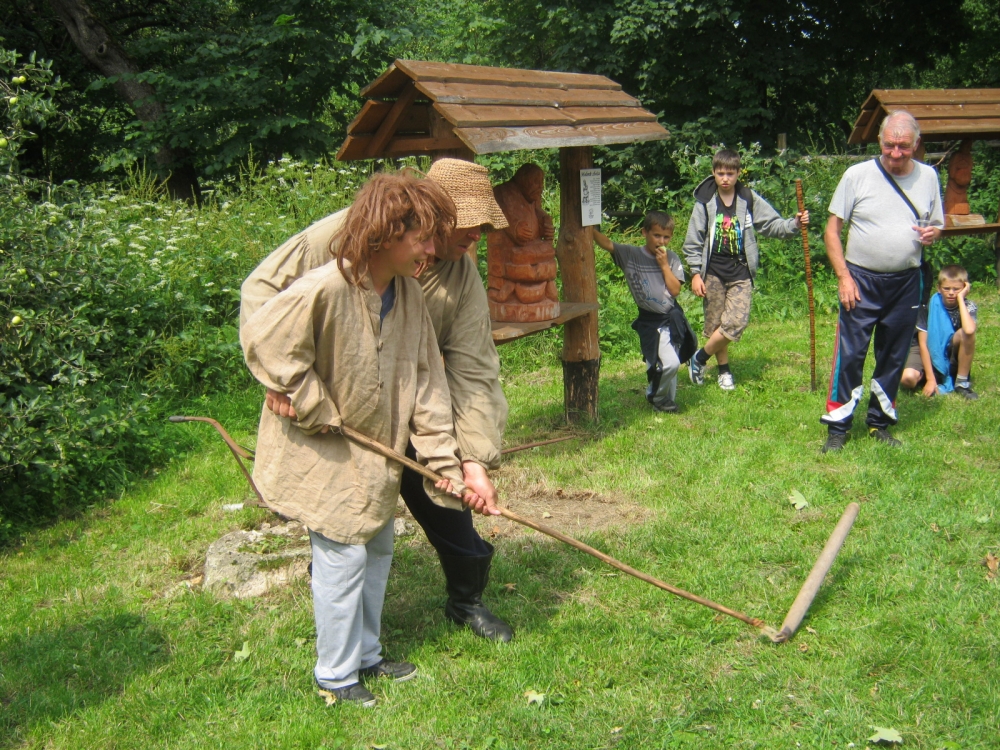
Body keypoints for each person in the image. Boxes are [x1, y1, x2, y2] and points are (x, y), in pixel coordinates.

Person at [241, 159, 515, 642]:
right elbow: (263, 292)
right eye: (469, 223)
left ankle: (466, 600)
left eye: (484, 226)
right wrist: (283, 380)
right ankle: (341, 634)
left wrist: (472, 458)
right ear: (429, 218)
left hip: (414, 406)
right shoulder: (348, 235)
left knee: (450, 508)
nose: (478, 236)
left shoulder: (460, 275)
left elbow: (473, 368)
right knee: (342, 524)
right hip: (338, 408)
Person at [820, 110, 944, 452]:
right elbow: (831, 231)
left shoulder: (929, 177)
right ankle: (838, 428)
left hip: (907, 281)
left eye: (904, 147)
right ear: (879, 141)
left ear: (916, 144)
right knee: (851, 354)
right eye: (889, 145)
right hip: (860, 280)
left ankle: (879, 423)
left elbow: (937, 224)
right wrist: (844, 277)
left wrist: (934, 233)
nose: (896, 153)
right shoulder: (856, 175)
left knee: (894, 354)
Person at [682, 148, 808, 390]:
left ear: (739, 173)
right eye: (721, 173)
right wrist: (695, 273)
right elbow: (693, 240)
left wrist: (794, 223)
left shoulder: (748, 198)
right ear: (713, 172)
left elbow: (772, 225)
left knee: (736, 322)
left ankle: (699, 358)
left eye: (730, 173)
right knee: (717, 324)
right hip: (713, 272)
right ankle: (724, 372)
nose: (725, 178)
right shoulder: (706, 201)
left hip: (741, 272)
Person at [593, 211, 696, 412]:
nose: (661, 241)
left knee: (671, 364)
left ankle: (664, 401)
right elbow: (607, 243)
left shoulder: (672, 258)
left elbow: (675, 290)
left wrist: (664, 265)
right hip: (650, 320)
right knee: (666, 363)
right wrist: (590, 225)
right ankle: (656, 396)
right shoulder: (631, 255)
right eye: (656, 235)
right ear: (644, 232)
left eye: (666, 237)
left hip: (671, 316)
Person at [900, 264, 978, 400]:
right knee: (908, 379)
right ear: (939, 288)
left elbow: (969, 330)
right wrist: (931, 379)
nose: (951, 293)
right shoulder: (928, 307)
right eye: (946, 288)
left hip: (950, 349)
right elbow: (923, 344)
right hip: (925, 348)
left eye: (957, 289)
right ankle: (928, 377)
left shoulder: (968, 305)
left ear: (965, 288)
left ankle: (961, 383)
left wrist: (961, 299)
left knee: (966, 334)